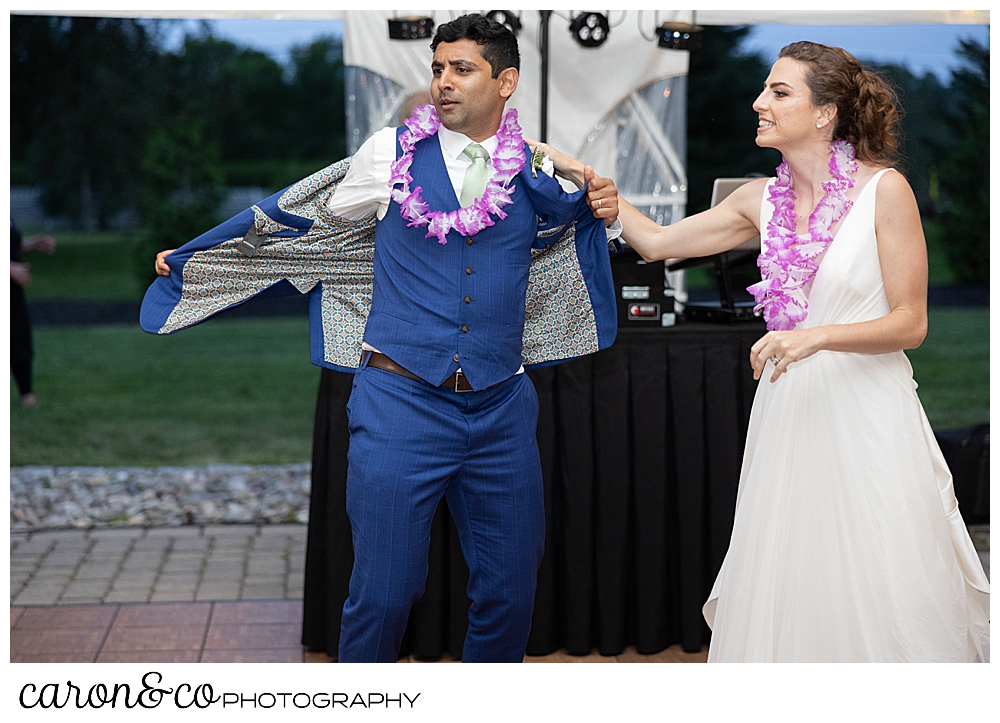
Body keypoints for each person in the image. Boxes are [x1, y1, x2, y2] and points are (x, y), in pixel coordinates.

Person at [152, 13, 621, 663]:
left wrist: (596, 192)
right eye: (437, 69)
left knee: (511, 591)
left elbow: (581, 220)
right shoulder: (388, 155)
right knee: (385, 592)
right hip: (400, 402)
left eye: (462, 69)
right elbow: (305, 220)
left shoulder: (536, 173)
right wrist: (209, 254)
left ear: (506, 80)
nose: (443, 83)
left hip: (501, 408)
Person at [537, 40, 990, 662]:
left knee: (881, 565)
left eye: (779, 92)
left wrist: (815, 336)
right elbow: (659, 242)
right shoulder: (757, 200)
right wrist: (586, 179)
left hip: (869, 413)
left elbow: (911, 323)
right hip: (790, 413)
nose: (759, 102)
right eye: (764, 90)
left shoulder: (886, 191)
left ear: (826, 112)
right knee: (796, 567)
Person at [10, 222, 56, 406]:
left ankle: (26, 393)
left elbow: (10, 244)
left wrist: (33, 243)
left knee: (19, 337)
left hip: (12, 291)